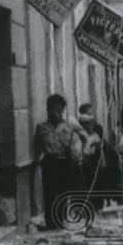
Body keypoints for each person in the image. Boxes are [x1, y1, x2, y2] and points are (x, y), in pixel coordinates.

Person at [33, 94, 84, 230]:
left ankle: (61, 221)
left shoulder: (69, 126)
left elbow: (82, 139)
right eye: (53, 109)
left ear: (63, 110)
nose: (56, 113)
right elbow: (36, 147)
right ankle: (50, 223)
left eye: (59, 109)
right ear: (48, 110)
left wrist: (77, 160)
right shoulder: (41, 127)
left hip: (65, 163)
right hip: (49, 164)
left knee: (63, 194)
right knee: (49, 194)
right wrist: (36, 163)